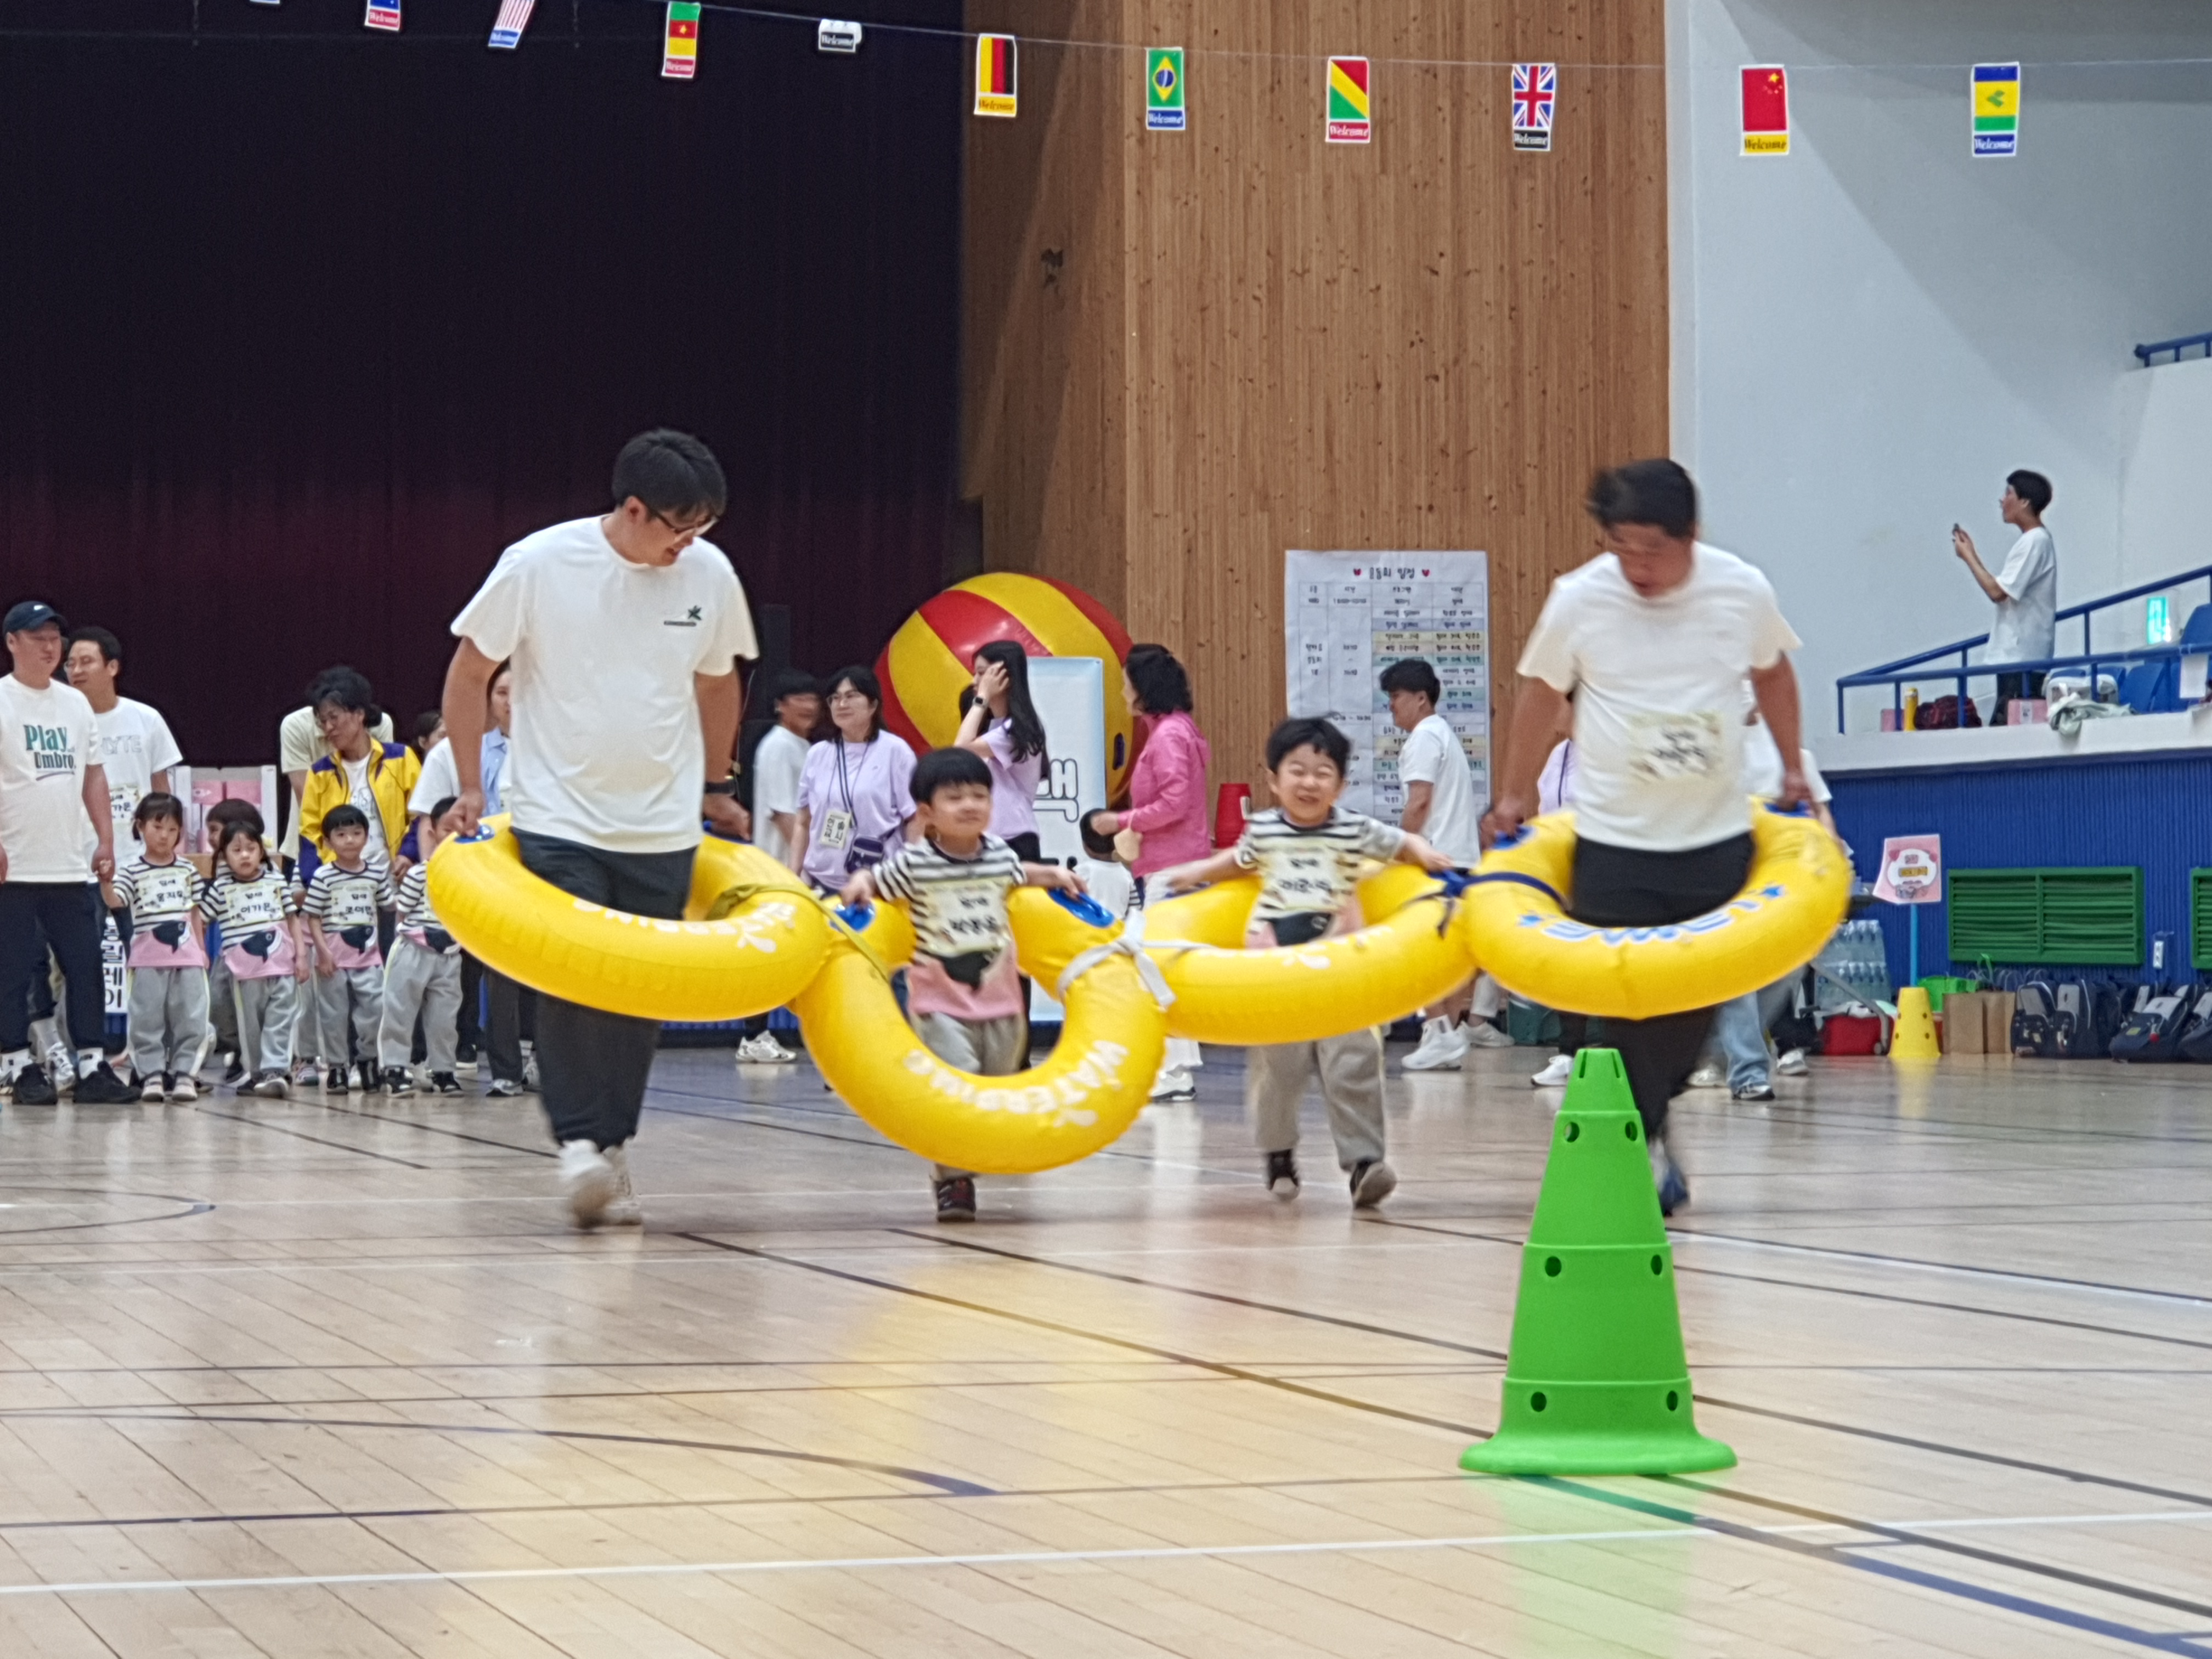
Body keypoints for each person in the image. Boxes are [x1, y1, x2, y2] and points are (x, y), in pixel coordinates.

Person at [442, 428, 757, 1229]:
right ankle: (579, 1139)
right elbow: (471, 673)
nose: (690, 545)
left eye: (705, 529)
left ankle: (612, 1147)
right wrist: (472, 785)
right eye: (680, 528)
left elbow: (718, 683)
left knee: (638, 993)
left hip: (663, 822)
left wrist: (716, 785)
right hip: (557, 814)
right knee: (574, 980)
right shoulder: (539, 563)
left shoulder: (710, 574)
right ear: (634, 509)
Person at [1485, 458, 1805, 1215]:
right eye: (1620, 546)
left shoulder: (1741, 589)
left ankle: (1654, 1113)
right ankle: (1645, 1141)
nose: (1636, 566)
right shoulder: (1580, 598)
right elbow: (1541, 694)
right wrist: (1514, 792)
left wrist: (1793, 766)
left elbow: (1773, 676)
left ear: (1690, 535)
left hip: (1713, 832)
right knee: (1626, 1000)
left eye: (1652, 550)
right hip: (1613, 835)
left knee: (1694, 1006)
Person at [1160, 717, 1452, 1207]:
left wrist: (1425, 852)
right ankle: (1278, 1152)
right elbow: (1237, 862)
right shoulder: (1265, 829)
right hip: (1277, 966)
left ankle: (1365, 1163)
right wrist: (1196, 873)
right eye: (1297, 771)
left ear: (1341, 784)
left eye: (1323, 772)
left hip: (1340, 964)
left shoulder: (1353, 829)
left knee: (1355, 1060)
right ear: (1274, 780)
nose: (1309, 782)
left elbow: (1399, 843)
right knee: (1277, 1069)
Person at [840, 748, 1086, 1222]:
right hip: (940, 1002)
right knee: (957, 1083)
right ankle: (952, 1180)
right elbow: (878, 879)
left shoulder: (999, 855)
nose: (970, 805)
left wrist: (1054, 874)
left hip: (1001, 1001)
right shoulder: (915, 864)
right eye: (955, 798)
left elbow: (1021, 874)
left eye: (979, 795)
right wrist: (861, 882)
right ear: (927, 812)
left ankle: (971, 1158)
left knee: (997, 1084)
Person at [0, 601, 133, 1106]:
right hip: (14, 867)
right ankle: (18, 1064)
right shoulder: (3, 700)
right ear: (12, 643)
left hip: (69, 864)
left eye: (55, 638)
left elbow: (93, 774)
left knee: (86, 967)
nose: (50, 648)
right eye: (37, 638)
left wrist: (105, 838)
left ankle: (93, 1065)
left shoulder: (75, 704)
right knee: (13, 972)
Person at [1688, 702, 1837, 1101]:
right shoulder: (1711, 754)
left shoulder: (1794, 757)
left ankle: (1719, 1053)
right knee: (1737, 974)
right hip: (1728, 872)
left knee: (1786, 971)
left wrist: (1832, 853)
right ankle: (1749, 1072)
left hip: (1784, 880)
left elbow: (1819, 810)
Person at [1082, 644, 1209, 1101]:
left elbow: (1175, 803)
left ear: (1144, 688)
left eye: (1126, 683)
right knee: (1161, 965)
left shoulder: (1170, 736)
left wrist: (1120, 821)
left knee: (1156, 964)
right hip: (1172, 865)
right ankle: (1174, 1067)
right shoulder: (1176, 730)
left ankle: (1175, 1070)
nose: (1122, 693)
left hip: (1173, 870)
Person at [1383, 657, 1510, 1071]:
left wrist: (1402, 848)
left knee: (1419, 953)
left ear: (1421, 698)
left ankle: (1438, 1030)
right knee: (1452, 956)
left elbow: (1419, 802)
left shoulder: (1423, 737)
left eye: (1396, 696)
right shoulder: (1445, 735)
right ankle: (1447, 1036)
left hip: (1435, 860)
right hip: (1462, 859)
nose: (1391, 706)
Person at [412, 657, 516, 1079]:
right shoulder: (453, 752)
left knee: (523, 973)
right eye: (502, 693)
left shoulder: (556, 754)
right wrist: (431, 878)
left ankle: (525, 1060)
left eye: (521, 693)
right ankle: (454, 1049)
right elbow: (427, 821)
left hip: (528, 879)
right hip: (470, 878)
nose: (512, 702)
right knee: (458, 970)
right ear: (488, 700)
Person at [733, 669, 819, 1066]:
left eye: (813, 698)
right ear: (780, 706)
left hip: (793, 869)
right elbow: (785, 815)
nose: (809, 706)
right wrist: (807, 867)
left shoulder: (804, 747)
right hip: (782, 870)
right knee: (770, 957)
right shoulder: (780, 746)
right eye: (798, 698)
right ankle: (754, 1034)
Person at [105, 792, 208, 1102]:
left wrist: (201, 950)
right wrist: (105, 881)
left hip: (188, 958)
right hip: (147, 958)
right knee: (147, 1018)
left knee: (191, 1017)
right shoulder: (131, 870)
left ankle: (185, 1074)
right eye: (158, 827)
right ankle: (151, 1074)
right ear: (140, 826)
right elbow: (116, 902)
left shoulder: (188, 870)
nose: (165, 836)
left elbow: (195, 912)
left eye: (173, 829)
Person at [200, 816, 307, 1098]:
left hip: (281, 967)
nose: (245, 855)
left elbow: (292, 919)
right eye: (237, 850)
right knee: (251, 1027)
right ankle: (257, 1072)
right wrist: (200, 953)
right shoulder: (220, 888)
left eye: (251, 848)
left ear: (261, 851)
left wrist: (301, 955)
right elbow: (200, 921)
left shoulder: (276, 881)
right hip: (243, 973)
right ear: (224, 856)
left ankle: (275, 1071)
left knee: (280, 1020)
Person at [795, 666, 917, 896]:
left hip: (879, 882)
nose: (841, 704)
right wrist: (795, 874)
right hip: (820, 880)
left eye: (851, 696)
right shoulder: (818, 753)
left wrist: (912, 873)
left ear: (873, 705)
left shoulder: (896, 751)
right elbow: (803, 820)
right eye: (835, 698)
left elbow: (914, 818)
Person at [1951, 470, 2056, 725]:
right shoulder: (2034, 541)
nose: (2002, 500)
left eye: (2008, 493)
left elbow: (1998, 592)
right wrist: (1972, 554)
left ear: (2025, 502)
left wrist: (1969, 557)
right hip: (2019, 659)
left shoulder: (2035, 542)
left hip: (2022, 659)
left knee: (2010, 730)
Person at [301, 804, 392, 1094]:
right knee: (333, 1016)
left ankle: (367, 1059)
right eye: (341, 835)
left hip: (368, 958)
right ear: (328, 842)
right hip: (333, 960)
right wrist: (322, 952)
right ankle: (338, 1066)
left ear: (367, 836)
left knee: (376, 1009)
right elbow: (313, 917)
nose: (350, 840)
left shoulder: (376, 874)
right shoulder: (323, 876)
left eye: (356, 833)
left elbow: (390, 905)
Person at [65, 626, 183, 850]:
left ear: (112, 667)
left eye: (86, 662)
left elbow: (161, 788)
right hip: (81, 851)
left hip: (139, 852)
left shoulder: (147, 718)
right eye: (70, 664)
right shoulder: (61, 723)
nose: (76, 671)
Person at [380, 798, 465, 1099]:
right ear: (434, 832)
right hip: (414, 948)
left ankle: (443, 1070)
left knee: (445, 1017)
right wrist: (406, 942)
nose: (454, 836)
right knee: (400, 1010)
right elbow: (402, 913)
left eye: (461, 830)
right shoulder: (419, 873)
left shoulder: (469, 877)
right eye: (447, 830)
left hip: (449, 954)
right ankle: (395, 1068)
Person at [278, 676, 395, 868]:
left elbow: (387, 792)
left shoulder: (382, 726)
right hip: (316, 847)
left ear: (359, 714)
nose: (328, 727)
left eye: (334, 717)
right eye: (322, 720)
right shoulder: (295, 726)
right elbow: (306, 797)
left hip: (375, 849)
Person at [199, 797, 271, 1086]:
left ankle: (254, 1059)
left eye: (215, 830)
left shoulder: (268, 873)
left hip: (261, 957)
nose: (210, 837)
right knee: (219, 1002)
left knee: (255, 1010)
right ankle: (235, 1046)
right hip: (228, 952)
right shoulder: (220, 871)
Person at [956, 642, 1048, 862]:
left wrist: (982, 699)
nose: (975, 681)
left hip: (1013, 839)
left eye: (981, 673)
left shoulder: (1016, 730)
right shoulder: (997, 727)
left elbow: (961, 749)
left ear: (1003, 676)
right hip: (994, 837)